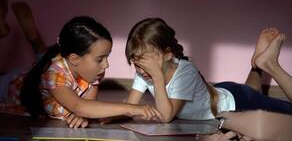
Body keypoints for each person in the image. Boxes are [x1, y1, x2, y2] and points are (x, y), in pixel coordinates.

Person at [0, 0, 162, 129]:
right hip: (12, 85)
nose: (107, 65)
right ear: (74, 59)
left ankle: (34, 39)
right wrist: (132, 109)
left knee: (47, 64)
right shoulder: (53, 73)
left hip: (46, 75)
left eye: (107, 56)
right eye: (100, 59)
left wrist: (81, 115)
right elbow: (81, 107)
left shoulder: (90, 71)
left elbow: (87, 107)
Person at [118, 18, 292, 123]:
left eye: (146, 63)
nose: (141, 70)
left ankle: (270, 65)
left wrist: (156, 77)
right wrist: (114, 114)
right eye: (137, 65)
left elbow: (166, 116)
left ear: (168, 54)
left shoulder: (185, 72)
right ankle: (257, 64)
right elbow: (131, 107)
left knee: (258, 98)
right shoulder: (144, 71)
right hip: (219, 92)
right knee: (252, 91)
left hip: (235, 103)